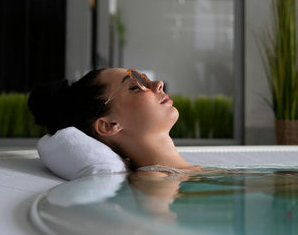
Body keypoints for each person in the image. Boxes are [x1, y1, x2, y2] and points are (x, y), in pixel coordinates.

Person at [28, 68, 201, 175]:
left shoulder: (179, 176)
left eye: (145, 80)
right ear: (109, 125)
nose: (158, 84)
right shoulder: (157, 182)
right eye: (135, 87)